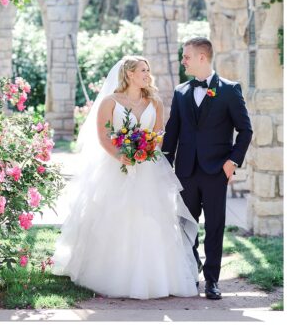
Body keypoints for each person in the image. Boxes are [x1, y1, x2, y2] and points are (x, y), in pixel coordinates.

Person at [53, 56, 199, 299]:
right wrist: (121, 156)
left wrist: (147, 149)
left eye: (148, 70)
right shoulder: (110, 102)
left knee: (151, 217)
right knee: (117, 216)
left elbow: (159, 134)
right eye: (143, 70)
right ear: (129, 74)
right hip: (116, 167)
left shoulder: (155, 101)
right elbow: (102, 135)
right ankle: (112, 273)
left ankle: (156, 277)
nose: (147, 74)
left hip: (149, 168)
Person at [162, 38, 253, 300]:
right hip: (186, 171)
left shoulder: (229, 90)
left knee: (215, 225)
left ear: (202, 57)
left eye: (186, 56)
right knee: (185, 224)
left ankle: (213, 280)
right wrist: (166, 167)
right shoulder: (181, 91)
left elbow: (245, 130)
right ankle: (191, 270)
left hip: (216, 171)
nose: (183, 61)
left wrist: (232, 162)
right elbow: (172, 132)